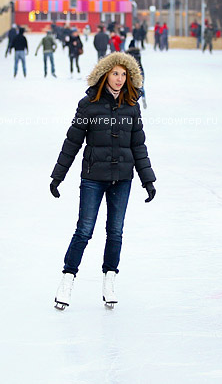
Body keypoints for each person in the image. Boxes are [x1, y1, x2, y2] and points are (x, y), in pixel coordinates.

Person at [50, 52, 157, 309]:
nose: (119, 79)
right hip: (93, 177)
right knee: (84, 230)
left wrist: (148, 180)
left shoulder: (132, 106)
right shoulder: (88, 104)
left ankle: (109, 280)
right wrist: (58, 175)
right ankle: (67, 280)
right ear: (105, 74)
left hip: (122, 178)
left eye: (124, 74)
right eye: (115, 73)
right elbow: (73, 141)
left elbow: (138, 146)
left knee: (115, 232)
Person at [126, 40, 146, 109]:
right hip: (140, 70)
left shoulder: (128, 54)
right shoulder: (138, 54)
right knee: (141, 86)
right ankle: (143, 97)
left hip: (132, 71)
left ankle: (132, 100)